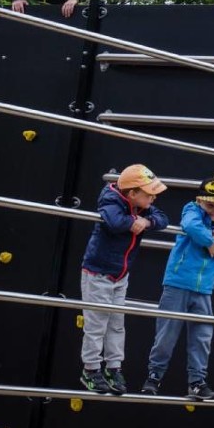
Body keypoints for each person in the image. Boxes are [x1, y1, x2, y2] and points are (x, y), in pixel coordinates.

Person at [141, 176, 214, 400]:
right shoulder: (191, 210)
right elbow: (190, 226)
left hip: (204, 289)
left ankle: (197, 381)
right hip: (178, 282)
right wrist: (209, 241)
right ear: (200, 201)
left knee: (202, 336)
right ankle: (154, 375)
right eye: (210, 205)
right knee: (167, 333)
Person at [79, 164, 169, 394]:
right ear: (132, 194)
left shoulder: (142, 207)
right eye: (149, 194)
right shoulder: (111, 200)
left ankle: (113, 367)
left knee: (116, 323)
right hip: (99, 273)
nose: (153, 198)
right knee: (97, 323)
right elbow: (115, 222)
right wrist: (134, 221)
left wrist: (146, 221)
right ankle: (90, 369)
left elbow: (163, 219)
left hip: (121, 274)